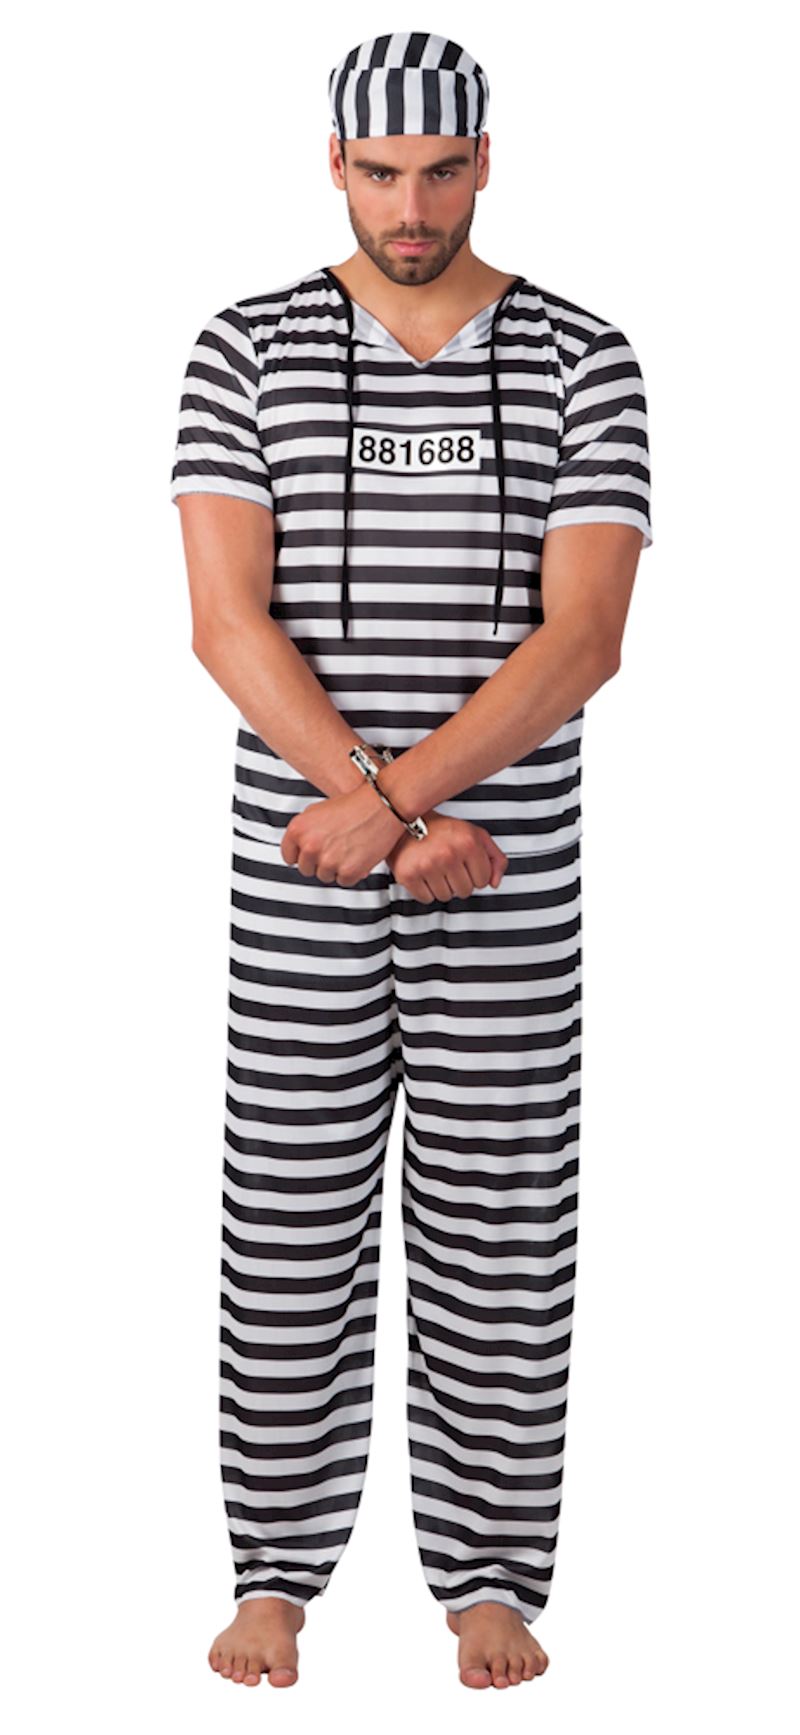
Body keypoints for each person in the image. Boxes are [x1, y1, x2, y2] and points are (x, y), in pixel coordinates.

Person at [170, 28, 653, 1694]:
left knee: (501, 1226)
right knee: (288, 1214)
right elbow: (225, 619)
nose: (413, 208)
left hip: (503, 873)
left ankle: (493, 1579)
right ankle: (273, 1573)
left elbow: (583, 636)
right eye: (381, 173)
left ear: (486, 161)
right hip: (302, 870)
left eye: (443, 172)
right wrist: (379, 808)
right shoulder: (247, 347)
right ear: (334, 165)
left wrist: (409, 805)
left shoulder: (585, 356)